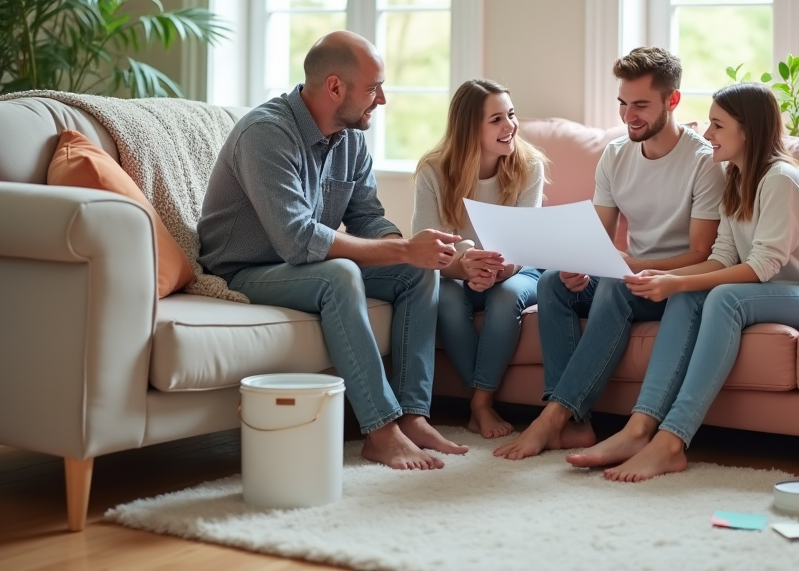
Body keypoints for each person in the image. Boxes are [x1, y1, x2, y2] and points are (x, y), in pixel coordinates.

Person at [198, 30, 469, 471]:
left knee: (419, 271)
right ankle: (381, 432)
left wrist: (415, 252)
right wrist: (402, 251)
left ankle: (413, 415)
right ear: (335, 87)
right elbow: (298, 239)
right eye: (373, 87)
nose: (381, 100)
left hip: (298, 267)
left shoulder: (350, 137)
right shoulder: (266, 133)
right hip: (243, 271)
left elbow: (367, 216)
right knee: (341, 273)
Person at [567, 82, 799, 481]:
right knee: (693, 296)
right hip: (771, 291)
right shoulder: (735, 178)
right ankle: (639, 428)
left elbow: (762, 266)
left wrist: (678, 283)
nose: (707, 136)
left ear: (747, 131)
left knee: (723, 298)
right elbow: (722, 257)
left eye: (717, 126)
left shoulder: (781, 180)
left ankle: (672, 441)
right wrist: (666, 278)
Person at [494, 46, 727, 460]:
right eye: (623, 103)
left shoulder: (703, 162)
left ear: (672, 101)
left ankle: (552, 419)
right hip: (629, 275)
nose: (628, 115)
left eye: (641, 105)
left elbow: (701, 253)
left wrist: (631, 265)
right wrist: (579, 265)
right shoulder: (616, 156)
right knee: (552, 283)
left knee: (617, 287)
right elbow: (598, 239)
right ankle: (577, 425)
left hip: (674, 286)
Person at [412, 79, 548, 439]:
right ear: (469, 127)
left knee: (506, 298)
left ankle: (480, 404)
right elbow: (427, 243)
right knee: (448, 300)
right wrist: (463, 266)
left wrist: (502, 269)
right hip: (456, 269)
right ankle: (480, 400)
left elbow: (525, 243)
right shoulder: (434, 171)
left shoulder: (529, 166)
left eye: (511, 115)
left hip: (518, 267)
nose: (510, 127)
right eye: (497, 120)